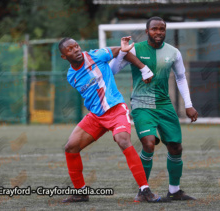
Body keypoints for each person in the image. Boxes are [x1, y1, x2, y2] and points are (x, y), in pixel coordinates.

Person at [59, 36, 162, 203]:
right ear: (64, 57)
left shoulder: (95, 55)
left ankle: (145, 190)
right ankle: (80, 192)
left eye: (76, 46)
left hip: (115, 110)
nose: (76, 50)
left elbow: (122, 52)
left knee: (123, 140)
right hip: (96, 116)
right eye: (70, 49)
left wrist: (143, 68)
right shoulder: (72, 76)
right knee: (71, 147)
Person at [110, 17, 199, 201]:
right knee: (149, 143)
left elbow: (181, 78)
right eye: (154, 29)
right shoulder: (135, 49)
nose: (158, 32)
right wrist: (120, 53)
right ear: (147, 30)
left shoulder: (174, 52)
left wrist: (188, 105)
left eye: (162, 29)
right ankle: (143, 191)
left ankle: (174, 191)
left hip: (164, 104)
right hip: (142, 103)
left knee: (175, 147)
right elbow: (113, 71)